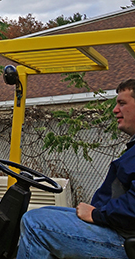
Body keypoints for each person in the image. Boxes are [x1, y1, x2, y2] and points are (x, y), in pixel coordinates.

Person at [15, 78, 135, 259]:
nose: (115, 109)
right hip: (119, 228)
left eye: (122, 103)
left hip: (124, 239)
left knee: (34, 224)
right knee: (43, 213)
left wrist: (96, 215)